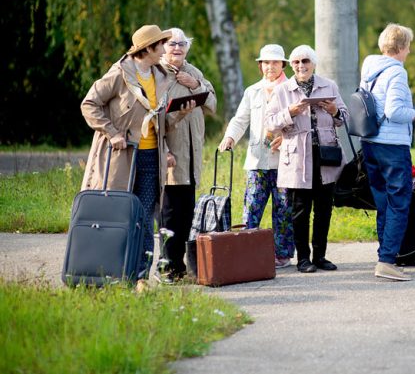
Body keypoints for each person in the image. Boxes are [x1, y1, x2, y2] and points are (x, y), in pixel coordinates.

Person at [80, 24, 173, 286]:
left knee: (144, 216)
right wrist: (111, 132)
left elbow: (159, 118)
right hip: (122, 158)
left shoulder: (161, 75)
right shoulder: (119, 74)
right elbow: (89, 104)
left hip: (150, 156)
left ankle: (140, 277)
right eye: (161, 45)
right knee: (118, 215)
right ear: (149, 49)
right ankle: (110, 273)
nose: (165, 49)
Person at [265, 45, 347, 274]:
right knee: (300, 210)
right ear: (291, 65)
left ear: (313, 63)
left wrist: (333, 110)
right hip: (298, 157)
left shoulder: (329, 86)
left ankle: (320, 256)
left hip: (325, 156)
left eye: (305, 61)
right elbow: (270, 123)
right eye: (296, 62)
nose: (301, 66)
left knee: (324, 209)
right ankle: (303, 259)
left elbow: (344, 117)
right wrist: (289, 112)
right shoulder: (283, 90)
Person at [360, 23, 415, 282]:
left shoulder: (368, 70)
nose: (409, 51)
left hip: (371, 144)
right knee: (399, 202)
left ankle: (383, 256)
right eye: (408, 46)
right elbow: (393, 112)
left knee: (382, 203)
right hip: (392, 145)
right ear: (400, 48)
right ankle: (387, 260)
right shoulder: (397, 73)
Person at [219, 44, 295, 269]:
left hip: (284, 160)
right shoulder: (252, 91)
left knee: (283, 209)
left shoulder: (292, 89)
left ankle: (282, 255)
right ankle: (246, 251)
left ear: (283, 64)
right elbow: (240, 119)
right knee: (251, 207)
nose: (270, 67)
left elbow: (301, 121)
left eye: (274, 62)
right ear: (260, 65)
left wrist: (287, 138)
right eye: (265, 62)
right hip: (257, 160)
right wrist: (230, 137)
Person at [159, 27, 217, 282]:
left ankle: (182, 267)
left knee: (187, 215)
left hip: (192, 158)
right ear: (162, 47)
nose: (177, 48)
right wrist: (165, 151)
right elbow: (152, 120)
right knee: (169, 215)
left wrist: (196, 85)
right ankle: (167, 268)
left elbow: (212, 104)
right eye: (172, 44)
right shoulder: (157, 75)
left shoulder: (194, 72)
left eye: (182, 44)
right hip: (171, 157)